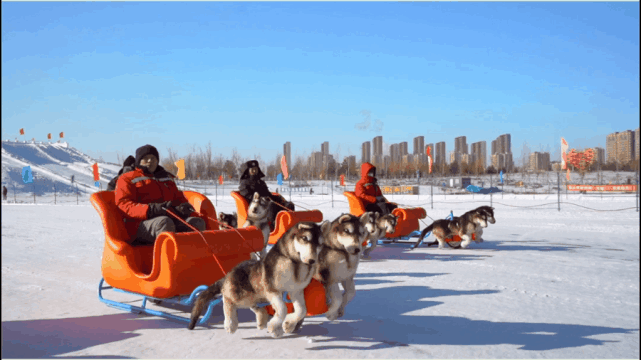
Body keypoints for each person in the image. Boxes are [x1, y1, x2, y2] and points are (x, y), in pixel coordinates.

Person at [115, 144, 206, 246]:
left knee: (197, 222)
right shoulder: (127, 178)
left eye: (153, 158)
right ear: (138, 161)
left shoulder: (166, 178)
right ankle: (168, 260)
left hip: (168, 219)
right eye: (145, 158)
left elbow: (177, 198)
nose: (150, 161)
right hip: (138, 224)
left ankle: (195, 258)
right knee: (164, 222)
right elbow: (123, 205)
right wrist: (150, 209)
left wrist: (182, 207)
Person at [238, 160, 295, 227]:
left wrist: (278, 198)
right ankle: (273, 226)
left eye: (255, 169)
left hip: (265, 203)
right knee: (271, 205)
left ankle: (288, 223)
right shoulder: (244, 183)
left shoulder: (261, 182)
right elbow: (246, 195)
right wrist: (259, 199)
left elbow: (268, 194)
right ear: (248, 171)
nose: (254, 171)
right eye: (252, 169)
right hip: (254, 206)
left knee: (287, 205)